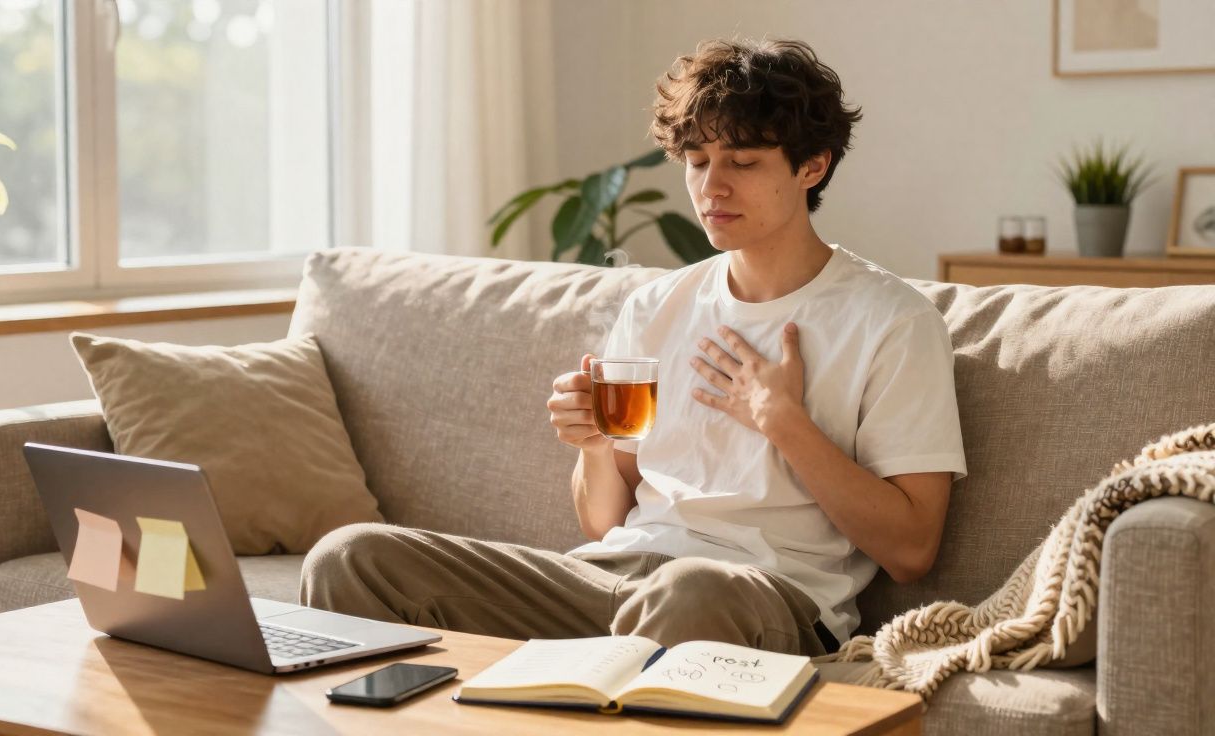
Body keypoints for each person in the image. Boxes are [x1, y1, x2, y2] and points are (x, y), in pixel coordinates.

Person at [300, 37, 967, 657]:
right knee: (351, 559)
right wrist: (593, 444)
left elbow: (911, 549)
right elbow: (603, 521)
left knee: (689, 592)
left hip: (757, 599)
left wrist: (785, 424)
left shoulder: (892, 321)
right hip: (611, 580)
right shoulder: (657, 305)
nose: (712, 186)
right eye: (698, 162)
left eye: (743, 161)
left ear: (811, 167)